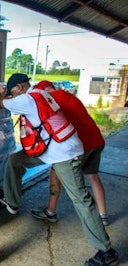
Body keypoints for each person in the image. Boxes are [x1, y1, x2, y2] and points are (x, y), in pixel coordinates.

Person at [0, 73, 118, 266]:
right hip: (52, 147)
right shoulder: (42, 93)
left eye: (13, 92)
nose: (12, 96)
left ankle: (106, 251)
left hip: (65, 154)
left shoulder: (28, 99)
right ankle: (12, 201)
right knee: (16, 160)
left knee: (81, 199)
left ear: (20, 88)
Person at [29, 80, 109, 226]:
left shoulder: (52, 99)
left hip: (80, 146)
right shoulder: (70, 96)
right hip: (96, 140)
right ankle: (103, 216)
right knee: (94, 177)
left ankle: (50, 212)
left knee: (56, 174)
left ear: (45, 90)